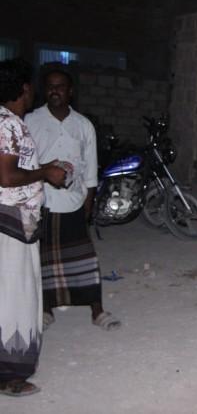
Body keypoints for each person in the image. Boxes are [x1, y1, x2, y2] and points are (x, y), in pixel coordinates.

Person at [25, 69, 121, 331]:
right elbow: (23, 164)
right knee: (43, 261)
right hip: (42, 201)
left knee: (84, 258)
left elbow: (90, 168)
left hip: (74, 201)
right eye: (50, 86)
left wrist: (88, 202)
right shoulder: (31, 121)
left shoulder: (83, 125)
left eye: (60, 86)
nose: (54, 91)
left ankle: (97, 310)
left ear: (70, 91)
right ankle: (46, 309)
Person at [0, 58, 66, 396]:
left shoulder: (7, 122)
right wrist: (45, 173)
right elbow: (7, 176)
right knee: (16, 298)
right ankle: (9, 375)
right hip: (11, 223)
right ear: (24, 88)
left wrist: (43, 168)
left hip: (11, 220)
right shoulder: (8, 124)